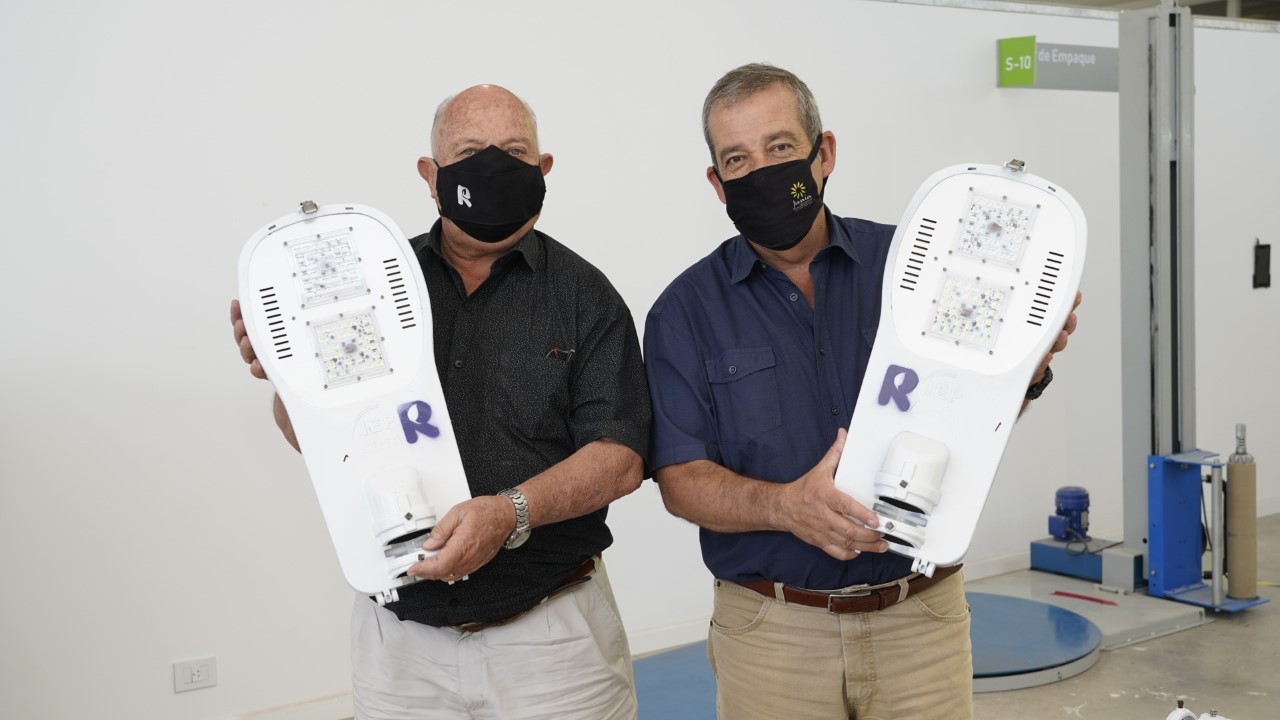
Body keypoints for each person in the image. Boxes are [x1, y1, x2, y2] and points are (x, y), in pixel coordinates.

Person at [643, 64, 1081, 720]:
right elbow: (681, 483)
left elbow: (969, 418)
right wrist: (785, 508)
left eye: (780, 148)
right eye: (737, 159)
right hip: (774, 636)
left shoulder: (917, 267)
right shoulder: (684, 312)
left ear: (824, 154)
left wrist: (1026, 375)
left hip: (920, 621)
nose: (760, 172)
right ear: (716, 183)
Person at [231, 84, 651, 720]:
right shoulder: (367, 284)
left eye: (515, 151)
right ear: (431, 176)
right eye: (471, 152)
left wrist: (510, 513)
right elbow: (320, 440)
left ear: (544, 169)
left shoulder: (584, 295)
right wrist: (290, 381)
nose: (495, 166)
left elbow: (619, 458)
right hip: (400, 648)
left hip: (552, 642)